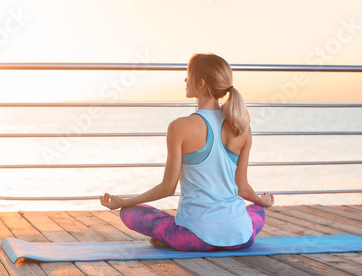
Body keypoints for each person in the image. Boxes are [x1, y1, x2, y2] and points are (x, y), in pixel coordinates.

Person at [100, 53, 274, 251]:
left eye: (188, 75)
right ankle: (237, 225)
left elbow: (167, 188)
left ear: (200, 84)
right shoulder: (242, 128)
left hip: (193, 238)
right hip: (241, 237)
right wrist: (261, 201)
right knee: (258, 210)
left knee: (129, 213)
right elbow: (243, 189)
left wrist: (124, 201)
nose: (185, 80)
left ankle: (167, 237)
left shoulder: (179, 127)